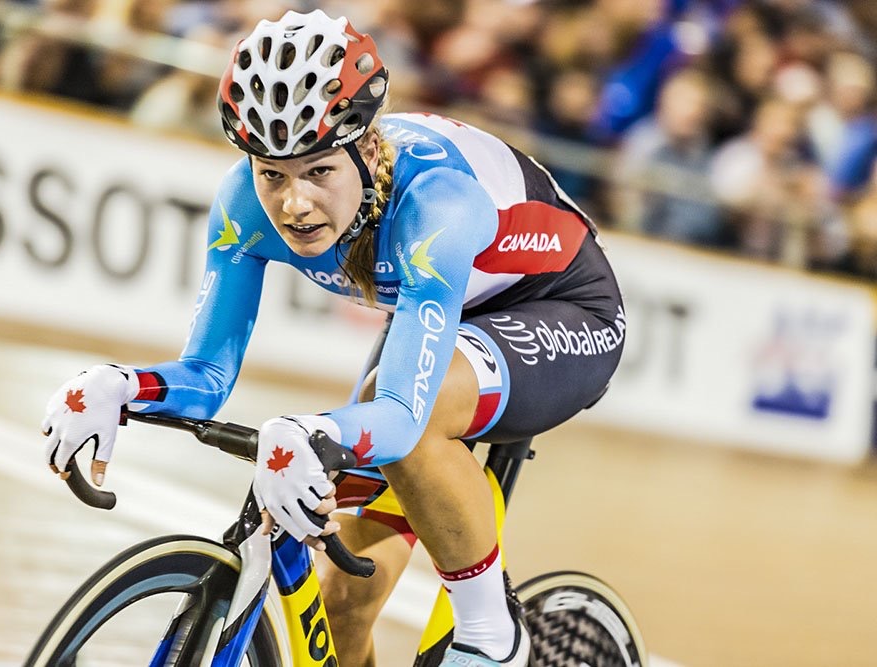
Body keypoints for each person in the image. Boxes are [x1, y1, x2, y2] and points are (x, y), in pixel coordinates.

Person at [41, 9, 626, 666]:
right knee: (343, 604)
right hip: (445, 306)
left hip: (562, 310)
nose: (294, 204)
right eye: (273, 174)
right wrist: (121, 385)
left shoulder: (435, 202)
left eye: (319, 171)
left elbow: (402, 417)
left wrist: (315, 431)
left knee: (405, 409)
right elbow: (206, 377)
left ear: (368, 151)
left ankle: (494, 633)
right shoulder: (242, 203)